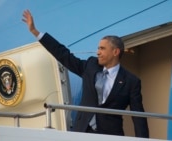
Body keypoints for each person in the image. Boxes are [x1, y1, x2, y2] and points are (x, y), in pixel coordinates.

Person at [22, 9, 149, 138]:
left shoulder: (131, 81)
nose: (98, 52)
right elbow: (63, 54)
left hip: (111, 135)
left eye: (102, 48)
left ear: (115, 52)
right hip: (82, 132)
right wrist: (35, 32)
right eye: (98, 48)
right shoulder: (90, 66)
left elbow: (139, 117)